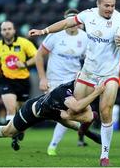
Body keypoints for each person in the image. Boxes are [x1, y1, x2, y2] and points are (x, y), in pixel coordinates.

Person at [28, 0, 120, 166]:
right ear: (98, 4)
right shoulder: (87, 15)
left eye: (112, 5)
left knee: (106, 111)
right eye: (106, 5)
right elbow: (67, 23)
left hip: (109, 73)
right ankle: (84, 126)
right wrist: (44, 30)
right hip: (88, 72)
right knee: (75, 112)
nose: (110, 9)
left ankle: (104, 156)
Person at [0, 80, 105, 151]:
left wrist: (71, 115)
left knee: (74, 122)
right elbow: (76, 109)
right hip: (33, 112)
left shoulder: (79, 91)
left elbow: (88, 115)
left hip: (54, 112)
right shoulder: (65, 92)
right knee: (8, 132)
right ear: (77, 79)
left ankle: (91, 135)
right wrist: (96, 93)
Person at [35, 8, 88, 156]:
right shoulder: (55, 35)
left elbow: (90, 59)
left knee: (68, 111)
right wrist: (42, 78)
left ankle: (53, 145)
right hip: (54, 80)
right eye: (68, 19)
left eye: (74, 19)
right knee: (52, 113)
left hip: (72, 82)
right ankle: (82, 128)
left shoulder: (85, 38)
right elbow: (39, 56)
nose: (71, 23)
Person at [0, 21, 37, 150]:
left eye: (9, 29)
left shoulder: (24, 43)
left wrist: (25, 64)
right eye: (4, 29)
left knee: (22, 110)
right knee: (11, 108)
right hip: (7, 81)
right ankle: (13, 136)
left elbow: (37, 56)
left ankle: (20, 129)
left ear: (14, 30)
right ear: (1, 32)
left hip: (23, 81)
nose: (7, 31)